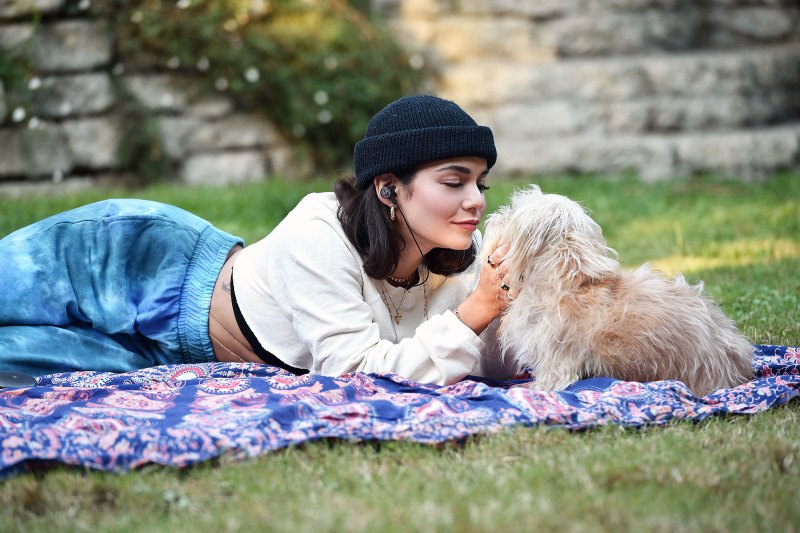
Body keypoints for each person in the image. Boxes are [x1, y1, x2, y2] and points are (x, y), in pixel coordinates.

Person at [0, 95, 516, 385]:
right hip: (141, 263)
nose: (476, 200)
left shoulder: (454, 270)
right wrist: (476, 312)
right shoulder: (319, 230)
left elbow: (481, 360)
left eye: (480, 183)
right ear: (388, 187)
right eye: (454, 182)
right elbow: (356, 371)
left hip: (174, 358)